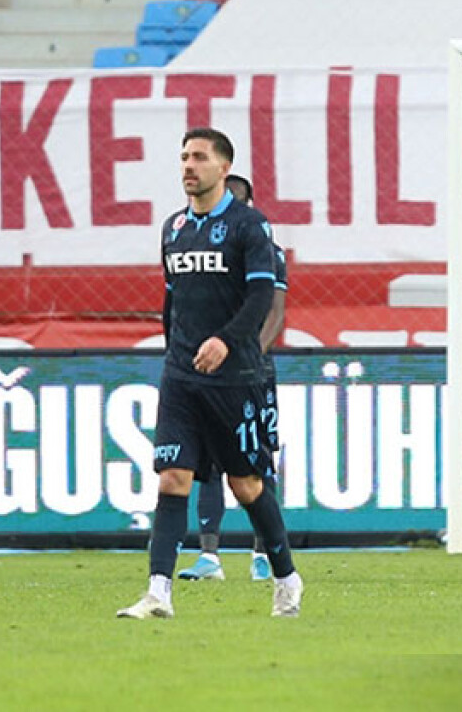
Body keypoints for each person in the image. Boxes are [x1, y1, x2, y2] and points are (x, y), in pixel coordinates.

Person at [118, 128, 303, 618]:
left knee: (246, 486)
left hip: (235, 377)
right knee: (172, 479)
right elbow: (172, 300)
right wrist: (174, 355)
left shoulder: (249, 225)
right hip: (182, 376)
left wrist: (226, 341)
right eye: (184, 156)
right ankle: (158, 591)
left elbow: (261, 297)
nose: (188, 165)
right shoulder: (174, 228)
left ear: (224, 167)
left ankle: (287, 577)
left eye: (199, 157)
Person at [178, 174, 287, 583]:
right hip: (207, 368)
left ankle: (263, 554)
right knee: (206, 458)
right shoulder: (194, 241)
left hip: (249, 369)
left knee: (257, 458)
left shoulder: (267, 249)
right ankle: (209, 556)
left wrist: (247, 355)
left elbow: (274, 311)